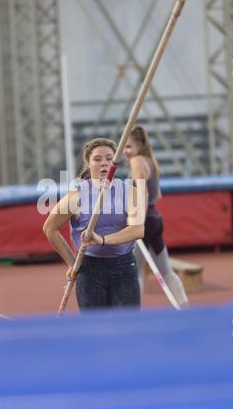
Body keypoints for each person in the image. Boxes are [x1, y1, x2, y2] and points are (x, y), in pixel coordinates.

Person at [43, 137, 145, 311]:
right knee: (95, 330)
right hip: (89, 270)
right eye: (97, 159)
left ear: (115, 162)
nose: (104, 163)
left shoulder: (130, 192)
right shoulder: (77, 196)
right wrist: (72, 263)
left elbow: (138, 230)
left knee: (128, 329)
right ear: (88, 164)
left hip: (124, 268)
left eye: (109, 158)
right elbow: (49, 228)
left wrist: (103, 239)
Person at [123, 125, 189, 307]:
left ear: (139, 146)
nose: (125, 152)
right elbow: (156, 194)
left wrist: (136, 220)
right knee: (165, 271)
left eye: (128, 147)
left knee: (135, 272)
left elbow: (143, 193)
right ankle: (185, 308)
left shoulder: (136, 161)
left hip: (144, 221)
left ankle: (132, 315)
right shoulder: (150, 161)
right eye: (124, 147)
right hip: (155, 219)